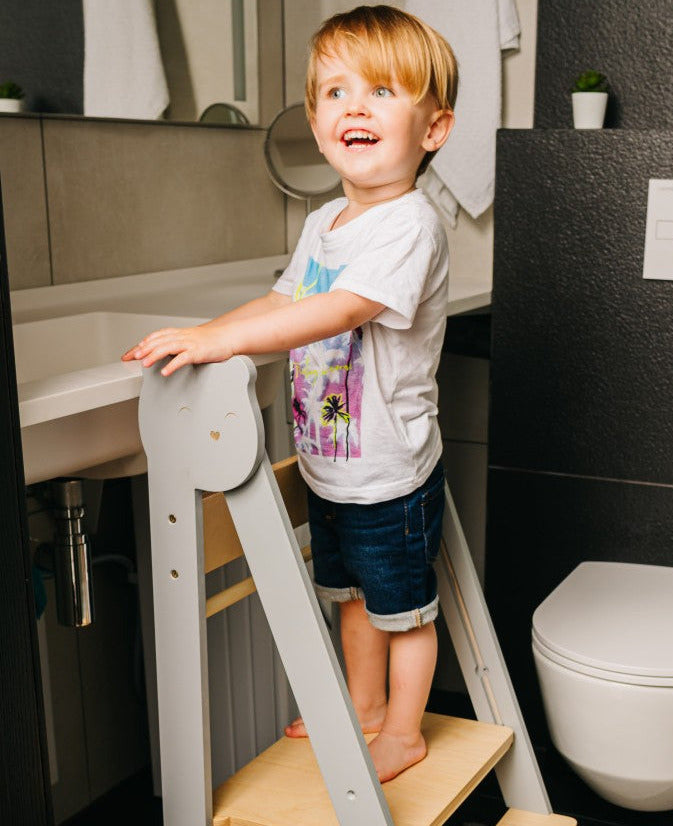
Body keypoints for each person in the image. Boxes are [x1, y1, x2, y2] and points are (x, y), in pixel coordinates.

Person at [122, 5, 457, 783]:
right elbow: (284, 301)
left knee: (400, 611)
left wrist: (222, 343)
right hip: (329, 464)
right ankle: (363, 708)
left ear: (432, 129)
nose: (355, 107)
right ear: (314, 121)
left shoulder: (409, 225)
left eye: (380, 91)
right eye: (335, 93)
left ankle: (402, 729)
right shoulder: (325, 222)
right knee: (346, 594)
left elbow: (340, 310)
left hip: (388, 472)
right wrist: (205, 331)